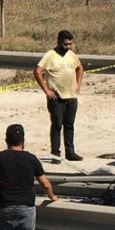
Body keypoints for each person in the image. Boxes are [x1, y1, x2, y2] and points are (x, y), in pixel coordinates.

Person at [34, 29, 84, 161]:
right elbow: (38, 71)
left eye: (70, 44)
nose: (67, 47)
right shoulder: (50, 55)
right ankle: (55, 153)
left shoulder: (71, 55)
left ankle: (70, 152)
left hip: (71, 97)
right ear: (58, 42)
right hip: (56, 97)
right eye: (65, 44)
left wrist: (78, 84)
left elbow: (79, 68)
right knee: (57, 124)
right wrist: (46, 90)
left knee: (69, 125)